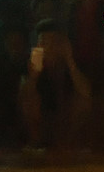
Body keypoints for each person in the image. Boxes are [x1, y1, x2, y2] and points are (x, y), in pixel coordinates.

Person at [18, 19, 92, 150]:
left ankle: (69, 145)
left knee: (82, 101)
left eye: (53, 41)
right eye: (44, 42)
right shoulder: (31, 62)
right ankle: (36, 142)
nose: (49, 46)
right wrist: (34, 75)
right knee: (29, 99)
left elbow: (86, 93)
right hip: (43, 118)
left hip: (66, 117)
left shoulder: (74, 61)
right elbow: (25, 96)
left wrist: (70, 61)